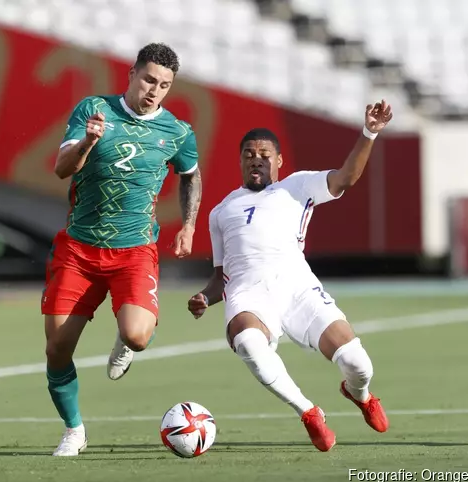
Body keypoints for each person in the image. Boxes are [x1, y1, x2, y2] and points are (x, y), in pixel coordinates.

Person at [187, 101, 393, 451]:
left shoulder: (297, 186)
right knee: (250, 344)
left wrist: (369, 132)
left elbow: (347, 177)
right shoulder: (221, 212)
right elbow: (221, 275)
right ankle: (309, 412)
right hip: (249, 295)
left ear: (279, 161)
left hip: (298, 290)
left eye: (265, 153)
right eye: (249, 153)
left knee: (358, 364)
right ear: (240, 161)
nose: (257, 158)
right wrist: (205, 296)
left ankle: (359, 394)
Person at [42, 43, 202, 456]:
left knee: (138, 335)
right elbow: (62, 170)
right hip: (78, 250)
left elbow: (190, 175)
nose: (154, 90)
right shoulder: (93, 110)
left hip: (134, 251)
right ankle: (74, 430)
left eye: (164, 85)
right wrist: (87, 144)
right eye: (149, 79)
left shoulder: (178, 132)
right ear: (131, 74)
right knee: (58, 350)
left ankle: (124, 342)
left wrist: (188, 225)